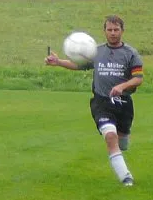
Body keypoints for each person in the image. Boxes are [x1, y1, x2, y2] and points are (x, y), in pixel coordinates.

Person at [45, 15, 144, 187]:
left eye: (116, 30)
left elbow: (138, 78)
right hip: (101, 103)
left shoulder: (131, 53)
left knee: (122, 142)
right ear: (104, 31)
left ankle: (122, 147)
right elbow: (78, 65)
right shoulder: (96, 52)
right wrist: (58, 62)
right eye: (109, 30)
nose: (113, 33)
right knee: (110, 136)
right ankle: (126, 178)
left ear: (122, 31)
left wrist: (122, 86)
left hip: (124, 104)